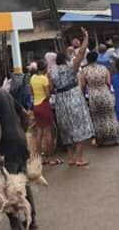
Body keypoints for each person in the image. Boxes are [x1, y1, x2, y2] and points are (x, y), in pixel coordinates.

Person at [0, 63, 36, 230]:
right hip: (19, 141)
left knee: (7, 189)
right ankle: (32, 220)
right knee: (22, 183)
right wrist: (21, 133)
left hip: (8, 145)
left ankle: (16, 225)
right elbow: (25, 115)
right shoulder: (5, 93)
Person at [50, 28, 94, 167]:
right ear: (66, 59)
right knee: (80, 126)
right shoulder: (71, 67)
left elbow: (51, 88)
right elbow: (81, 52)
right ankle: (79, 157)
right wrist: (86, 37)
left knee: (66, 128)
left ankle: (71, 158)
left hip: (60, 99)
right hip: (73, 96)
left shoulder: (52, 72)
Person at [80, 51, 119, 146]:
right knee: (110, 116)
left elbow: (83, 85)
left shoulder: (84, 71)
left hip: (93, 95)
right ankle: (114, 139)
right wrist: (108, 91)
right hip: (105, 93)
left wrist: (84, 95)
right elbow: (109, 83)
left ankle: (100, 140)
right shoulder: (103, 68)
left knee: (97, 118)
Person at [29, 60, 59, 164]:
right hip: (44, 105)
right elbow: (48, 94)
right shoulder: (44, 79)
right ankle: (50, 157)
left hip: (36, 106)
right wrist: (49, 79)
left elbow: (31, 92)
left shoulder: (32, 78)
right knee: (48, 133)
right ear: (45, 68)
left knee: (39, 133)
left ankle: (40, 158)